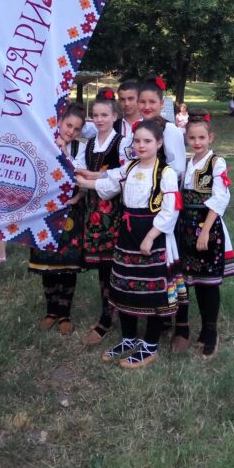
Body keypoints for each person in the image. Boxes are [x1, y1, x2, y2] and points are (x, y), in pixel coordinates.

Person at [76, 118, 185, 368]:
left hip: (152, 236)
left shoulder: (165, 173)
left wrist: (151, 236)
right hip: (127, 234)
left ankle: (150, 345)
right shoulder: (130, 167)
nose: (141, 145)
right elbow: (108, 184)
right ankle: (128, 338)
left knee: (153, 290)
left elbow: (170, 209)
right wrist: (84, 182)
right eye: (137, 141)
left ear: (159, 143)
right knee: (124, 285)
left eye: (147, 141)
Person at [172, 114, 234, 359]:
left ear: (211, 137)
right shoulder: (188, 163)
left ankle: (211, 332)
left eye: (201, 137)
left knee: (208, 283)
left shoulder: (216, 162)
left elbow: (220, 198)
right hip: (186, 228)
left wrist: (206, 230)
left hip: (206, 227)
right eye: (192, 138)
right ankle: (198, 330)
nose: (197, 142)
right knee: (193, 280)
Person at [28, 104, 87, 335]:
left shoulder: (80, 148)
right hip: (46, 211)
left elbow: (79, 175)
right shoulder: (43, 143)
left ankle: (65, 313)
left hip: (71, 210)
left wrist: (65, 153)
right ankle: (51, 311)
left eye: (76, 128)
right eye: (68, 125)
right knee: (48, 262)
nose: (71, 131)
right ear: (60, 123)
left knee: (68, 263)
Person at [78, 91, 130, 346]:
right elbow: (77, 170)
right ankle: (109, 311)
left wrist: (93, 178)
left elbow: (125, 173)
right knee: (103, 266)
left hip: (115, 212)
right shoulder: (88, 144)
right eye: (96, 115)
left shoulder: (123, 142)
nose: (99, 119)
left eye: (104, 115)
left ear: (115, 116)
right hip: (93, 211)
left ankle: (111, 316)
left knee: (115, 263)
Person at [137, 78, 186, 181]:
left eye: (152, 102)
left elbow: (178, 168)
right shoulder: (137, 127)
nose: (147, 107)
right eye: (142, 102)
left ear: (162, 103)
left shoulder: (169, 130)